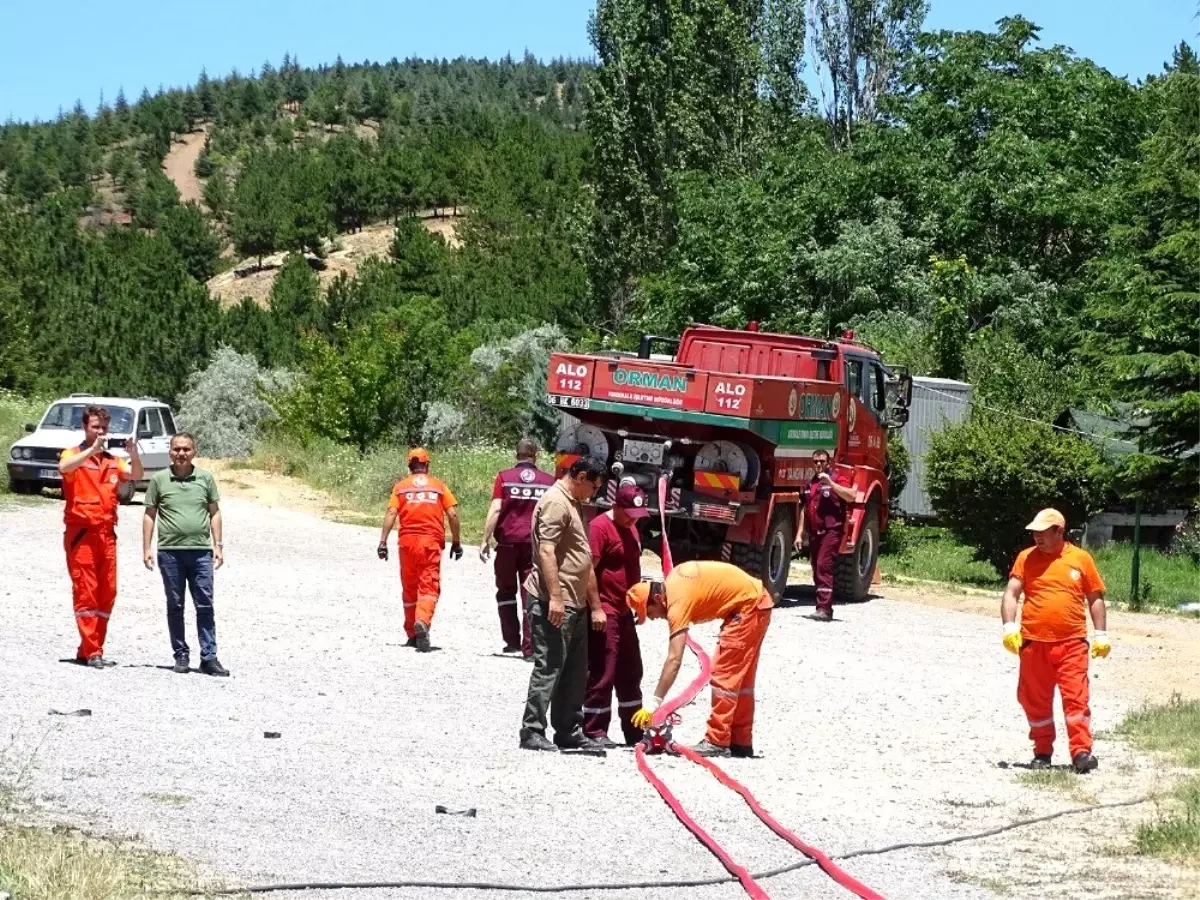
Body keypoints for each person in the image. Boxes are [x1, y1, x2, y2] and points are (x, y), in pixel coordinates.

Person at [627, 560, 774, 758]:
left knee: (724, 677)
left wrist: (653, 704)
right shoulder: (674, 584)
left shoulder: (677, 602)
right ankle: (740, 741)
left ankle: (717, 741)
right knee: (742, 681)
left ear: (657, 597)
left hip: (748, 608)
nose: (653, 618)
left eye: (651, 613)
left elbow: (674, 659)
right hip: (755, 603)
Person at [1002, 508, 1109, 774]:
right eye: (1035, 532)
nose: (1037, 537)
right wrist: (1008, 627)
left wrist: (1101, 634)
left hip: (1072, 644)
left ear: (1059, 531)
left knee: (1076, 699)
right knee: (1034, 701)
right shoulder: (1025, 559)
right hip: (1033, 644)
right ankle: (1042, 752)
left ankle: (1081, 752)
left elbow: (1095, 599)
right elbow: (1012, 593)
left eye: (1043, 532)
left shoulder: (1081, 559)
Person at [519, 456, 608, 752]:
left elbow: (582, 560)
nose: (593, 493)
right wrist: (555, 598)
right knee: (550, 666)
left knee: (574, 669)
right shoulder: (557, 503)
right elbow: (546, 552)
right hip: (554, 602)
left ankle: (568, 729)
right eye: (593, 486)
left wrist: (594, 605)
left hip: (576, 601)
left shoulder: (573, 503)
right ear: (580, 476)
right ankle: (532, 730)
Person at [57, 405, 143, 668]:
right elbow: (63, 467)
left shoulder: (111, 460)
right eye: (95, 426)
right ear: (85, 427)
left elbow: (135, 475)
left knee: (107, 592)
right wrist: (90, 451)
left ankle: (89, 649)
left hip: (107, 535)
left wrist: (134, 455)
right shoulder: (74, 455)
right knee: (86, 592)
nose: (100, 431)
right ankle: (93, 651)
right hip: (82, 534)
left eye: (104, 427)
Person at [142, 432, 228, 676]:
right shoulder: (159, 479)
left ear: (194, 452)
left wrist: (218, 545)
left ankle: (209, 658)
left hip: (201, 553)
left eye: (186, 449)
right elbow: (150, 514)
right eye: (177, 449)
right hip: (170, 553)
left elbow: (215, 513)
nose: (181, 454)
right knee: (175, 605)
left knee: (205, 604)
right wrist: (147, 548)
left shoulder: (205, 479)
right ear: (170, 451)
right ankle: (180, 655)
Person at [582, 482, 648, 748]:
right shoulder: (599, 528)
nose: (633, 519)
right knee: (603, 669)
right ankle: (594, 729)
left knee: (631, 670)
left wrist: (640, 605)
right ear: (616, 506)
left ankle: (635, 731)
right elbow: (588, 570)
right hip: (605, 609)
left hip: (624, 610)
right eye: (629, 513)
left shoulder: (631, 527)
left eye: (637, 516)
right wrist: (596, 607)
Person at [377, 448, 462, 653]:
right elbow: (452, 514)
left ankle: (412, 634)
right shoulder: (439, 486)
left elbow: (391, 513)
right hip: (430, 543)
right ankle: (422, 621)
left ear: (409, 467)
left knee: (409, 588)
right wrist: (457, 542)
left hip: (406, 542)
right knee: (429, 586)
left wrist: (383, 542)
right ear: (427, 465)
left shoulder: (401, 487)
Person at [479, 439, 554, 657]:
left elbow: (495, 509)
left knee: (505, 591)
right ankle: (529, 647)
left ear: (516, 455)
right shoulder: (548, 481)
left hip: (507, 543)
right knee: (530, 592)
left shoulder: (504, 477)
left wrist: (484, 539)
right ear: (536, 456)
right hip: (533, 545)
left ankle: (511, 640)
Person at [795, 449, 855, 621]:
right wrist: (800, 534)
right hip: (815, 533)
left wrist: (831, 483)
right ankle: (822, 607)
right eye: (815, 462)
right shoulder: (809, 485)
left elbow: (851, 496)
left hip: (831, 531)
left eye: (822, 461)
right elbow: (804, 511)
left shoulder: (836, 479)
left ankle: (824, 609)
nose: (819, 464)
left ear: (828, 463)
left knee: (823, 566)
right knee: (816, 568)